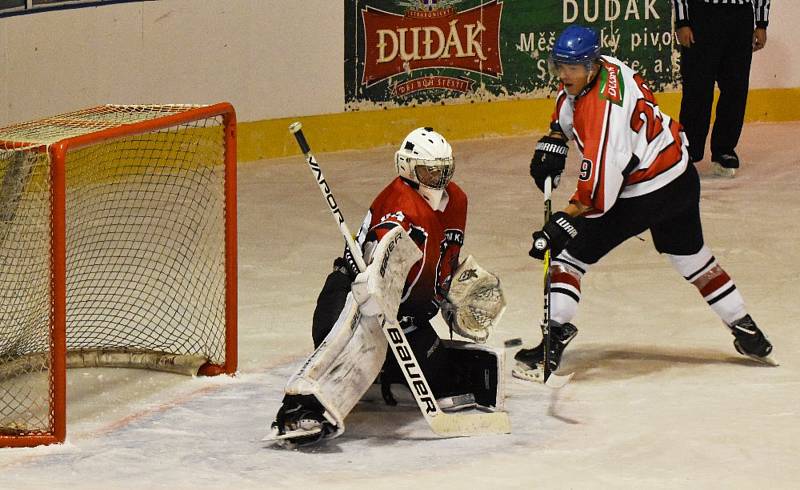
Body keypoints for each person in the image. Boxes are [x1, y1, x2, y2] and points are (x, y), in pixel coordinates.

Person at [513, 25, 775, 382]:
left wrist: (566, 218)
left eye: (572, 68)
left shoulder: (603, 114)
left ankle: (553, 340)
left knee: (566, 255)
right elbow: (569, 103)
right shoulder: (608, 66)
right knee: (691, 257)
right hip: (680, 176)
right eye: (559, 66)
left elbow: (599, 195)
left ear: (590, 65)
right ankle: (746, 329)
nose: (564, 74)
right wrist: (557, 134)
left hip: (645, 191)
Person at [269, 127, 505, 446]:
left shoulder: (456, 200)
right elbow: (377, 269)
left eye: (444, 169)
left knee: (447, 383)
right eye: (430, 171)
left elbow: (443, 257)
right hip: (355, 299)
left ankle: (385, 377)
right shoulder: (401, 206)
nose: (439, 178)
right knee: (348, 350)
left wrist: (448, 293)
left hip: (403, 314)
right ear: (407, 167)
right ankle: (299, 408)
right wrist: (375, 287)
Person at [672, 0, 771, 177]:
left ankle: (724, 149)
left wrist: (761, 23)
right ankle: (689, 150)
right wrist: (682, 21)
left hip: (740, 17)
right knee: (697, 87)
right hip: (702, 14)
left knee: (736, 87)